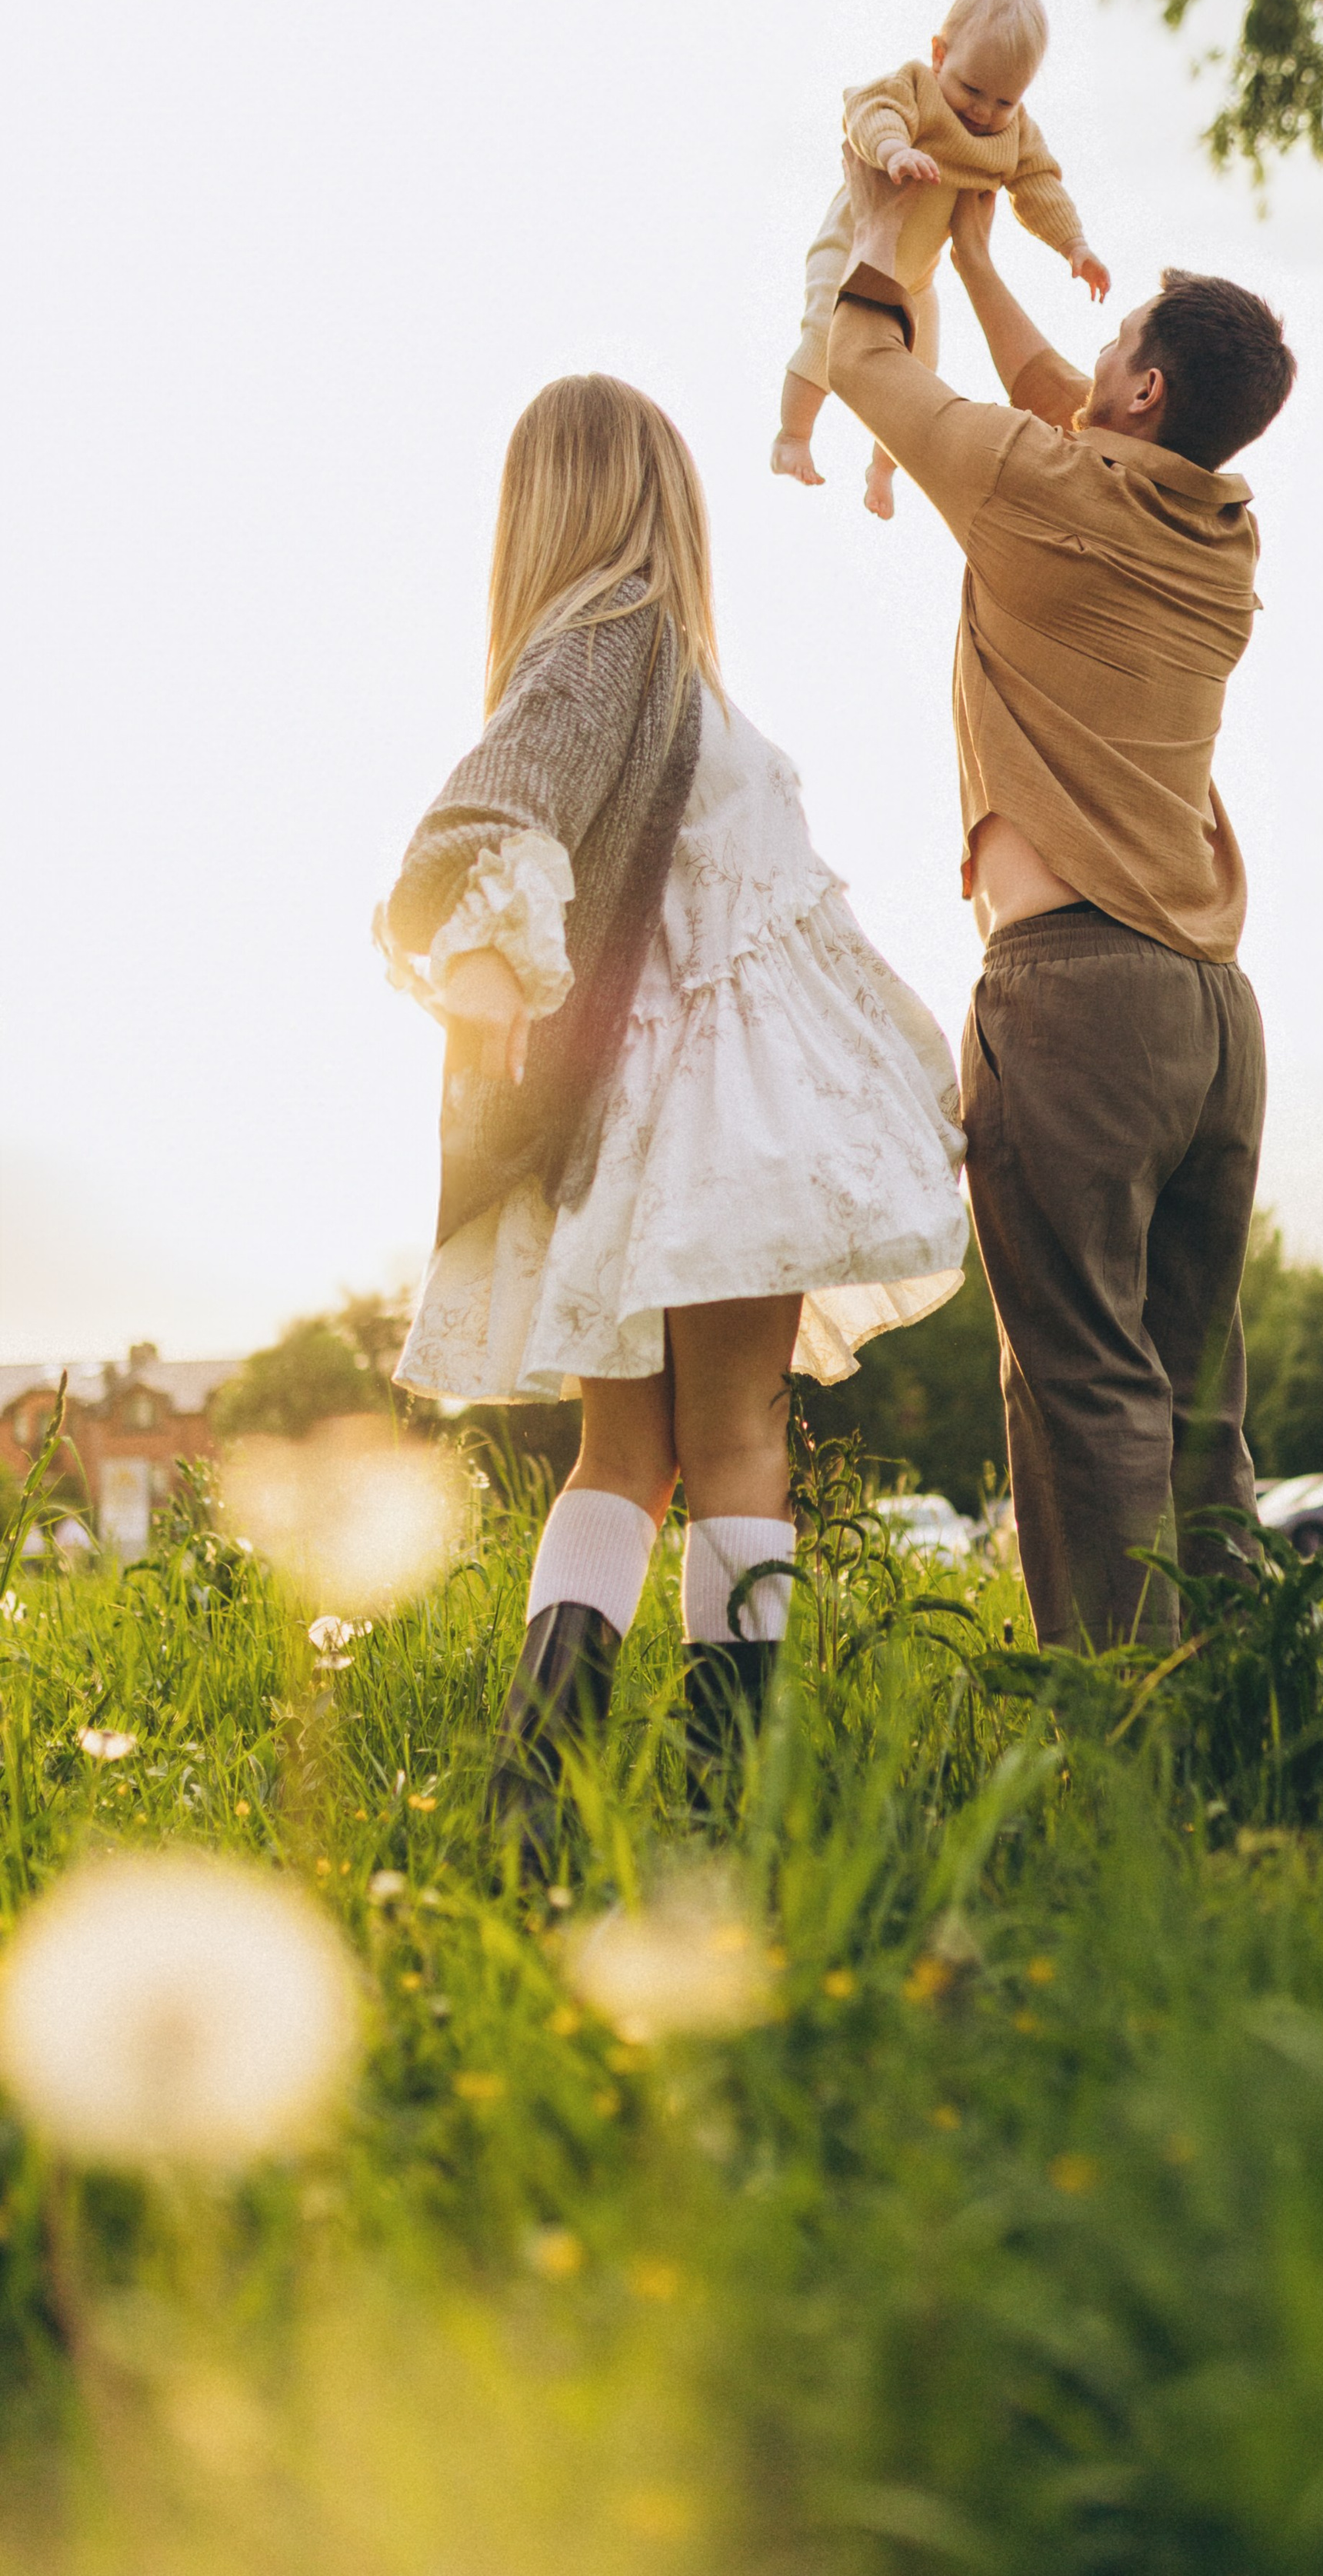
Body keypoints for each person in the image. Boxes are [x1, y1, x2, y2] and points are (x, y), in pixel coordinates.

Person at [378, 374, 967, 1841]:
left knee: (629, 1459)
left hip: (649, 1123)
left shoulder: (620, 660)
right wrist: (485, 953)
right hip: (726, 1125)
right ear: (655, 502)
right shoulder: (622, 643)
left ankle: (538, 1800)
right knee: (737, 1442)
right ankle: (723, 1805)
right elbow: (493, 809)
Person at [828, 162, 1296, 1653]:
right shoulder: (1218, 533)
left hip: (1075, 997)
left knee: (1084, 1394)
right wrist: (976, 255)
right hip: (1214, 1019)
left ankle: (1131, 1772)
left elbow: (856, 359)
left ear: (1144, 390)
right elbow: (1053, 394)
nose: (1081, 369)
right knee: (1193, 1404)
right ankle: (1250, 1738)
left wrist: (882, 208)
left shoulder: (1045, 497)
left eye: (1113, 353)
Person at [771, 0, 1110, 518]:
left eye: (1004, 100)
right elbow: (869, 111)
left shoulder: (1015, 132)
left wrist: (1074, 245)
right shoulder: (915, 88)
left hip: (918, 277)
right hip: (852, 243)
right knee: (825, 340)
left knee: (917, 373)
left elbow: (1040, 183)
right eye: (972, 90)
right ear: (939, 55)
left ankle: (883, 468)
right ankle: (793, 435)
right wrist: (893, 149)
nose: (982, 112)